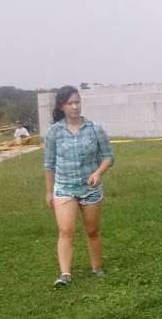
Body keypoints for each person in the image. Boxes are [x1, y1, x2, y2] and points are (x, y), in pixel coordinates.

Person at [43, 85, 114, 288]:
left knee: (92, 230)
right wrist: (49, 191)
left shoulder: (95, 129)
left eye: (77, 102)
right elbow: (49, 164)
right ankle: (65, 274)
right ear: (62, 106)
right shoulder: (54, 132)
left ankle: (97, 268)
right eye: (70, 103)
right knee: (66, 230)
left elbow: (108, 156)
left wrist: (98, 173)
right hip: (64, 189)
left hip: (90, 190)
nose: (75, 106)